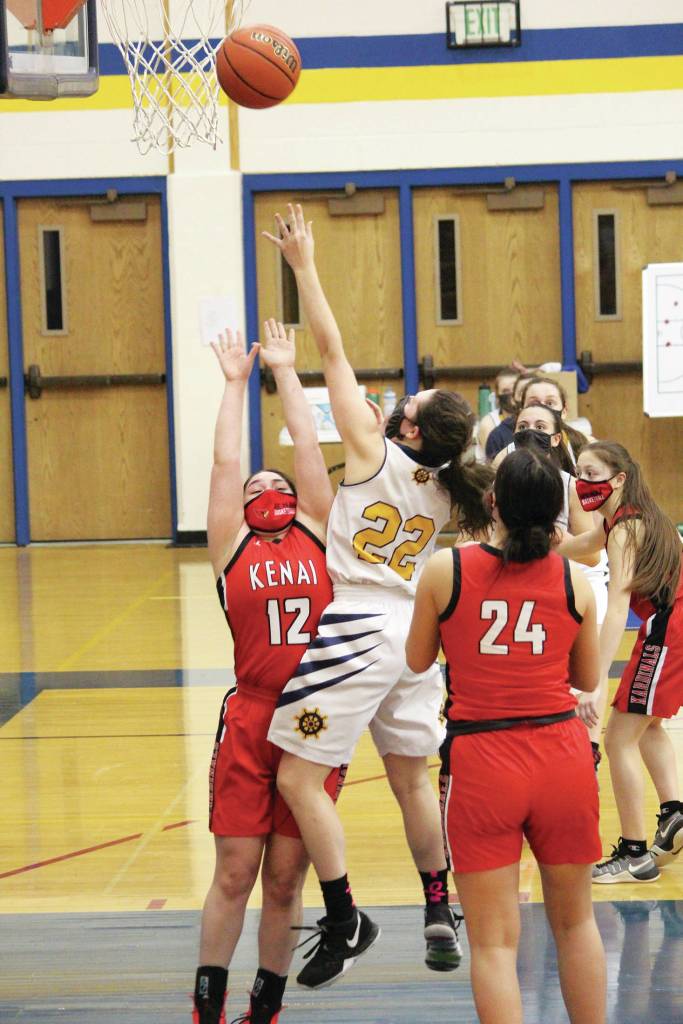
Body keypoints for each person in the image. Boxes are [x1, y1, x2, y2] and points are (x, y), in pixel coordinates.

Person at [263, 204, 493, 989]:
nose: (405, 400)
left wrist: (304, 266)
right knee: (409, 780)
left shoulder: (373, 452)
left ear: (413, 431)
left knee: (296, 776)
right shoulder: (454, 491)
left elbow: (331, 346)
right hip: (413, 641)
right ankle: (439, 904)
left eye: (415, 404)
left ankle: (344, 914)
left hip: (360, 623)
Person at [407, 448, 606, 1024]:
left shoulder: (449, 569)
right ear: (556, 514)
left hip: (482, 760)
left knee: (495, 945)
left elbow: (418, 661)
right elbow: (587, 679)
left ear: (492, 502)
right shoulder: (576, 580)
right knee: (576, 924)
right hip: (561, 757)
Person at [193, 322, 340, 1024]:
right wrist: (230, 384)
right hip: (251, 716)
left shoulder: (317, 525)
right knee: (233, 872)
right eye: (255, 483)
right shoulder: (230, 545)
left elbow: (307, 446)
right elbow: (225, 466)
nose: (260, 484)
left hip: (312, 718)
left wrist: (284, 371)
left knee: (285, 880)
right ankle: (206, 1005)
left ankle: (265, 1009)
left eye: (271, 479)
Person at [559, 441, 683, 883]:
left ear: (619, 479)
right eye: (579, 472)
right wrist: (530, 548)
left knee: (617, 740)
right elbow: (579, 546)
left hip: (670, 631)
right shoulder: (622, 520)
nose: (583, 481)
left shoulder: (628, 528)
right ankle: (674, 813)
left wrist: (594, 680)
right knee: (646, 726)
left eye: (592, 473)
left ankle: (635, 855)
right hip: (673, 628)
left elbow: (617, 607)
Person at [484, 371, 538, 461]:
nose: (531, 398)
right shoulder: (497, 436)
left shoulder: (560, 431)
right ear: (513, 399)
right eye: (523, 393)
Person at [477, 366, 519, 454]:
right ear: (497, 396)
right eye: (505, 391)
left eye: (515, 389)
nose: (511, 395)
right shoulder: (489, 423)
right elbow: (493, 463)